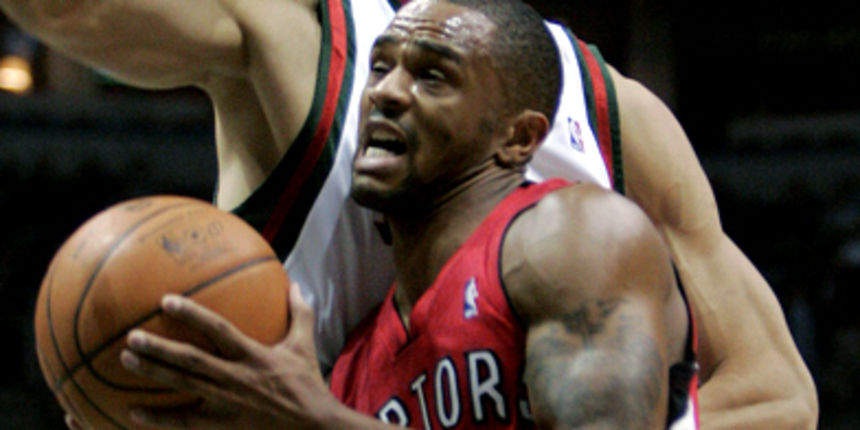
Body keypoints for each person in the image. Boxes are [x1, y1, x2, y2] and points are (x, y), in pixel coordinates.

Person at [0, 0, 816, 428]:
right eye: (383, 68)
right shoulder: (348, 366)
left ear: (517, 137)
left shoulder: (575, 232)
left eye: (431, 76)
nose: (385, 91)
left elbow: (780, 401)